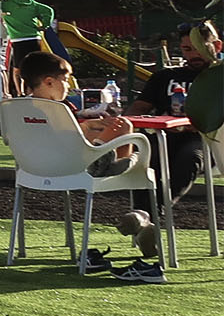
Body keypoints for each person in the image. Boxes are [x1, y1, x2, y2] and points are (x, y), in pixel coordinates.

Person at [19, 51, 162, 283]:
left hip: (33, 170)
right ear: (49, 81)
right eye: (66, 79)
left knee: (118, 131)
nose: (68, 85)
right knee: (129, 135)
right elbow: (72, 138)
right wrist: (103, 132)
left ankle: (120, 157)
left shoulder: (17, 107)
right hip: (83, 170)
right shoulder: (60, 109)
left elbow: (60, 134)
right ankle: (137, 198)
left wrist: (89, 126)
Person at [123, 19, 213, 211]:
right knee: (146, 156)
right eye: (187, 49)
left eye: (198, 48)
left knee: (190, 158)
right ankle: (142, 215)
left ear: (217, 45)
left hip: (206, 139)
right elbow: (138, 108)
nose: (193, 54)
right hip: (165, 135)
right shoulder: (164, 77)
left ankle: (150, 213)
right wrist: (133, 121)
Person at [2, 0, 55, 94]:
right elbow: (49, 10)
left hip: (18, 39)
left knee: (17, 69)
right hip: (34, 37)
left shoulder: (6, 4)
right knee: (35, 67)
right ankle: (33, 91)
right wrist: (45, 25)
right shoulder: (31, 3)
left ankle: (20, 93)